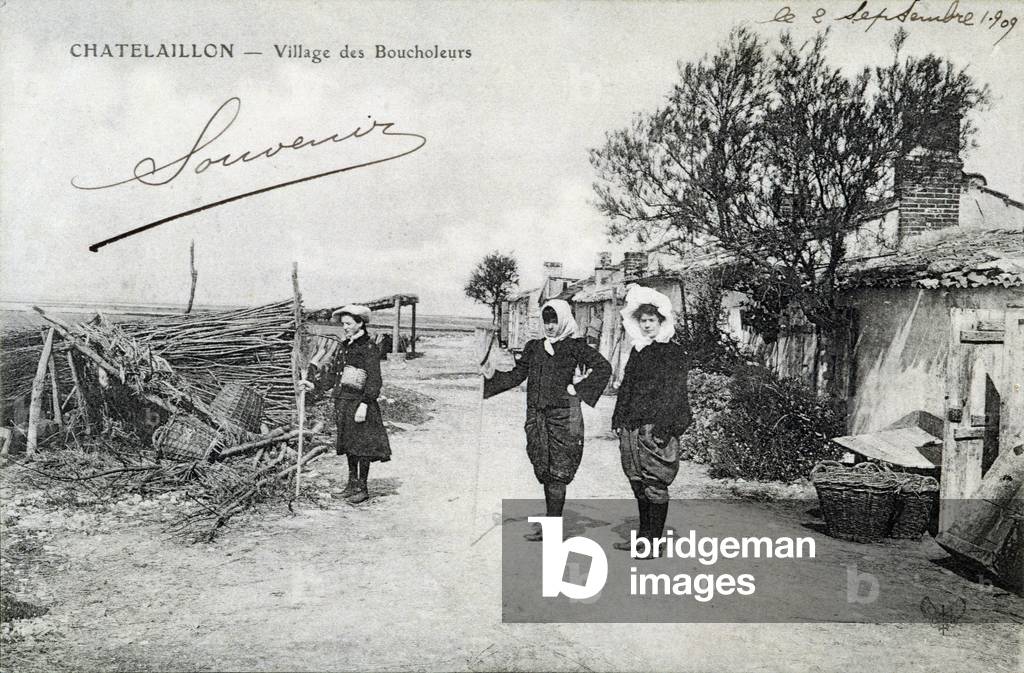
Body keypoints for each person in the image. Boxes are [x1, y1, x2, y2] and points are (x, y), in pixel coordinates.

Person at [482, 299, 612, 541]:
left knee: (558, 472)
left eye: (554, 320)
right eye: (546, 320)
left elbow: (603, 368)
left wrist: (580, 390)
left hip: (564, 417)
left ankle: (552, 528)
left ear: (562, 319)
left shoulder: (575, 347)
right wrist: (486, 384)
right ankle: (551, 523)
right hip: (537, 417)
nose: (550, 326)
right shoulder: (534, 348)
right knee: (543, 467)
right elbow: (517, 375)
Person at [611, 285, 691, 557]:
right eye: (643, 321)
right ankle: (643, 540)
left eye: (651, 321)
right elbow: (627, 388)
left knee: (655, 484)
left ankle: (654, 544)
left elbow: (677, 393)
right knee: (638, 483)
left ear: (662, 321)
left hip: (657, 428)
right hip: (633, 426)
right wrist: (618, 418)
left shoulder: (673, 352)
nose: (646, 325)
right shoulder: (638, 350)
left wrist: (665, 428)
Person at [302, 304, 391, 504]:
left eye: (349, 323)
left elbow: (374, 380)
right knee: (349, 444)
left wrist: (365, 404)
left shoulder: (368, 347)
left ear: (361, 323)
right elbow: (334, 375)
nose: (345, 327)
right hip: (343, 402)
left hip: (360, 403)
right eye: (343, 324)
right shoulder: (345, 345)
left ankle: (362, 488)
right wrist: (313, 385)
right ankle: (351, 485)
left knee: (362, 446)